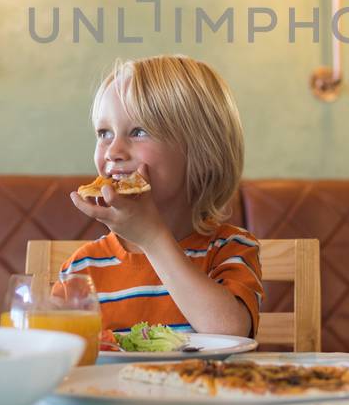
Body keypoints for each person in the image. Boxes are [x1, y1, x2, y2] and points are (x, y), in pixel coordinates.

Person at [63, 55, 261, 337]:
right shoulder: (84, 268)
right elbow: (52, 353)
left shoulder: (229, 249)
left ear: (203, 153)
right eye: (104, 133)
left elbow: (230, 332)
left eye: (139, 131)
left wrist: (152, 238)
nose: (113, 151)